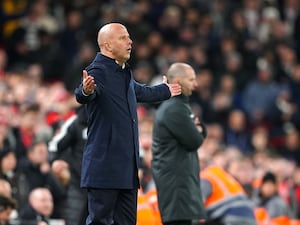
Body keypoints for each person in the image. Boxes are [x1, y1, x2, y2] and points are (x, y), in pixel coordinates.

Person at [74, 22, 181, 225]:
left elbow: (139, 91)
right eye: (123, 38)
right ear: (107, 45)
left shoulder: (122, 72)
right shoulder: (98, 70)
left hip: (125, 168)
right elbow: (84, 93)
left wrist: (164, 90)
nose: (130, 41)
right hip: (104, 166)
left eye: (129, 37)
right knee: (100, 221)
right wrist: (86, 91)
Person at [151, 62, 207, 225]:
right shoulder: (174, 108)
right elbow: (194, 140)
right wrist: (200, 131)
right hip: (177, 185)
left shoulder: (177, 105)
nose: (195, 84)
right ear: (177, 81)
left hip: (177, 182)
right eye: (191, 80)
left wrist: (199, 129)